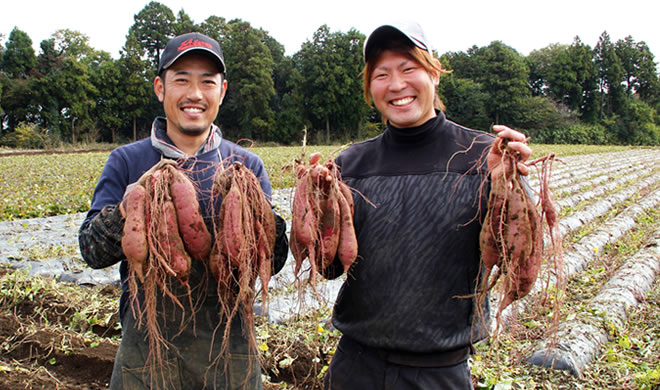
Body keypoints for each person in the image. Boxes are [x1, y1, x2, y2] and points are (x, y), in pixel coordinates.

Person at [319, 22, 532, 389]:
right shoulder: (349, 165)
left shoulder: (484, 156)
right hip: (355, 366)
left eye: (408, 69)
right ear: (371, 87)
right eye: (382, 74)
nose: (396, 84)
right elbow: (330, 267)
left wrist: (510, 187)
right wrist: (316, 205)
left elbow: (519, 258)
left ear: (433, 73)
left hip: (440, 372)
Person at [78, 32, 288, 390]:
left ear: (222, 92)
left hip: (229, 353)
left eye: (207, 82)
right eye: (181, 81)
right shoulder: (128, 161)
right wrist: (127, 210)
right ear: (160, 88)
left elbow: (272, 261)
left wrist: (265, 223)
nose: (195, 94)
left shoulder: (246, 165)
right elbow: (91, 251)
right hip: (147, 353)